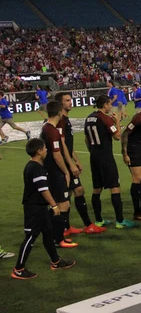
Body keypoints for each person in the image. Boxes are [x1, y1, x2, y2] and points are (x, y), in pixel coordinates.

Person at [12, 138, 76, 280]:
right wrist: (54, 205)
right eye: (45, 148)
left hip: (39, 207)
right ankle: (18, 269)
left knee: (48, 233)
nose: (46, 150)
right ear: (39, 151)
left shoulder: (33, 166)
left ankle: (56, 261)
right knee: (30, 237)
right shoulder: (36, 168)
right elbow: (43, 190)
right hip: (34, 209)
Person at [55, 92, 105, 235]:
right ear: (60, 104)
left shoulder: (65, 120)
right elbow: (61, 144)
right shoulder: (60, 121)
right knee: (69, 194)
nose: (71, 102)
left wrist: (76, 160)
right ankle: (75, 227)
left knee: (73, 192)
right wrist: (71, 165)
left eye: (71, 100)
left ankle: (67, 227)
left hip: (67, 162)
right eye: (67, 101)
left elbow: (68, 146)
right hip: (62, 165)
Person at [85, 95, 135, 229]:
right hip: (106, 157)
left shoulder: (89, 118)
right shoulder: (105, 119)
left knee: (97, 188)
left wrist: (93, 151)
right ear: (105, 104)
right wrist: (117, 121)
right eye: (109, 104)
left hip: (94, 157)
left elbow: (86, 139)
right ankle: (120, 221)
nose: (111, 107)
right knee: (114, 187)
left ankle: (99, 220)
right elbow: (117, 136)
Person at [40, 101, 78, 249]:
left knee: (62, 203)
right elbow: (57, 155)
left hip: (50, 171)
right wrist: (66, 171)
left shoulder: (47, 128)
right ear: (59, 113)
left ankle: (55, 237)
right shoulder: (52, 131)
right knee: (62, 204)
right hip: (55, 172)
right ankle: (57, 238)